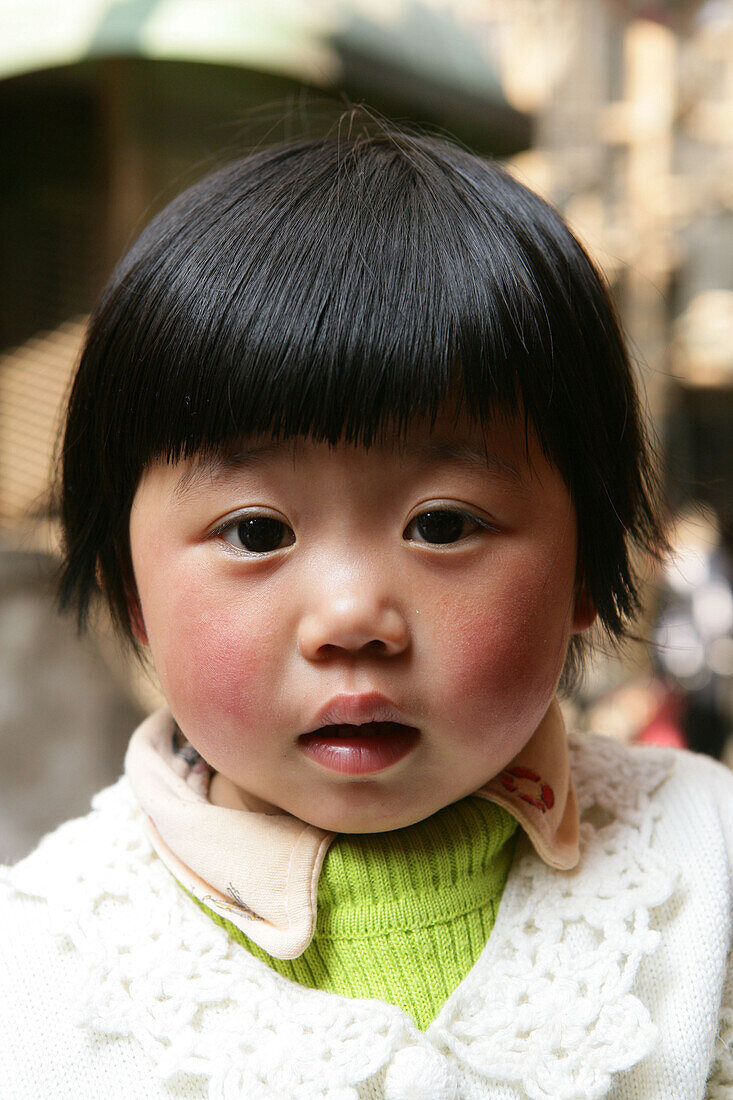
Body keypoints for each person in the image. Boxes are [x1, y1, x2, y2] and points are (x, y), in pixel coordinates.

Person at [2, 122, 732, 1100]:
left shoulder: (703, 866)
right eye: (256, 532)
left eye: (440, 522)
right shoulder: (41, 968)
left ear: (588, 571)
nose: (352, 616)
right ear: (132, 593)